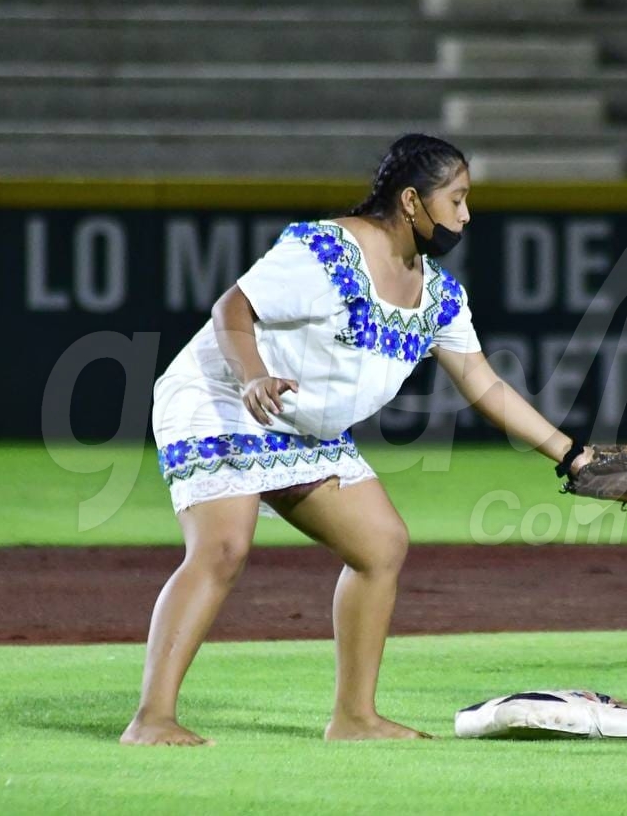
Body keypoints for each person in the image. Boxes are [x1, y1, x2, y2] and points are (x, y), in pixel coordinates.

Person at [121, 133, 591, 745]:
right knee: (223, 547)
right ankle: (152, 719)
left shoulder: (439, 294)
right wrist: (253, 376)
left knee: (380, 545)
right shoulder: (325, 250)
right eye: (457, 199)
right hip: (223, 399)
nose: (466, 215)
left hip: (303, 425)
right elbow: (231, 311)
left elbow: (484, 384)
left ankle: (354, 718)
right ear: (412, 202)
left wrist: (571, 453)